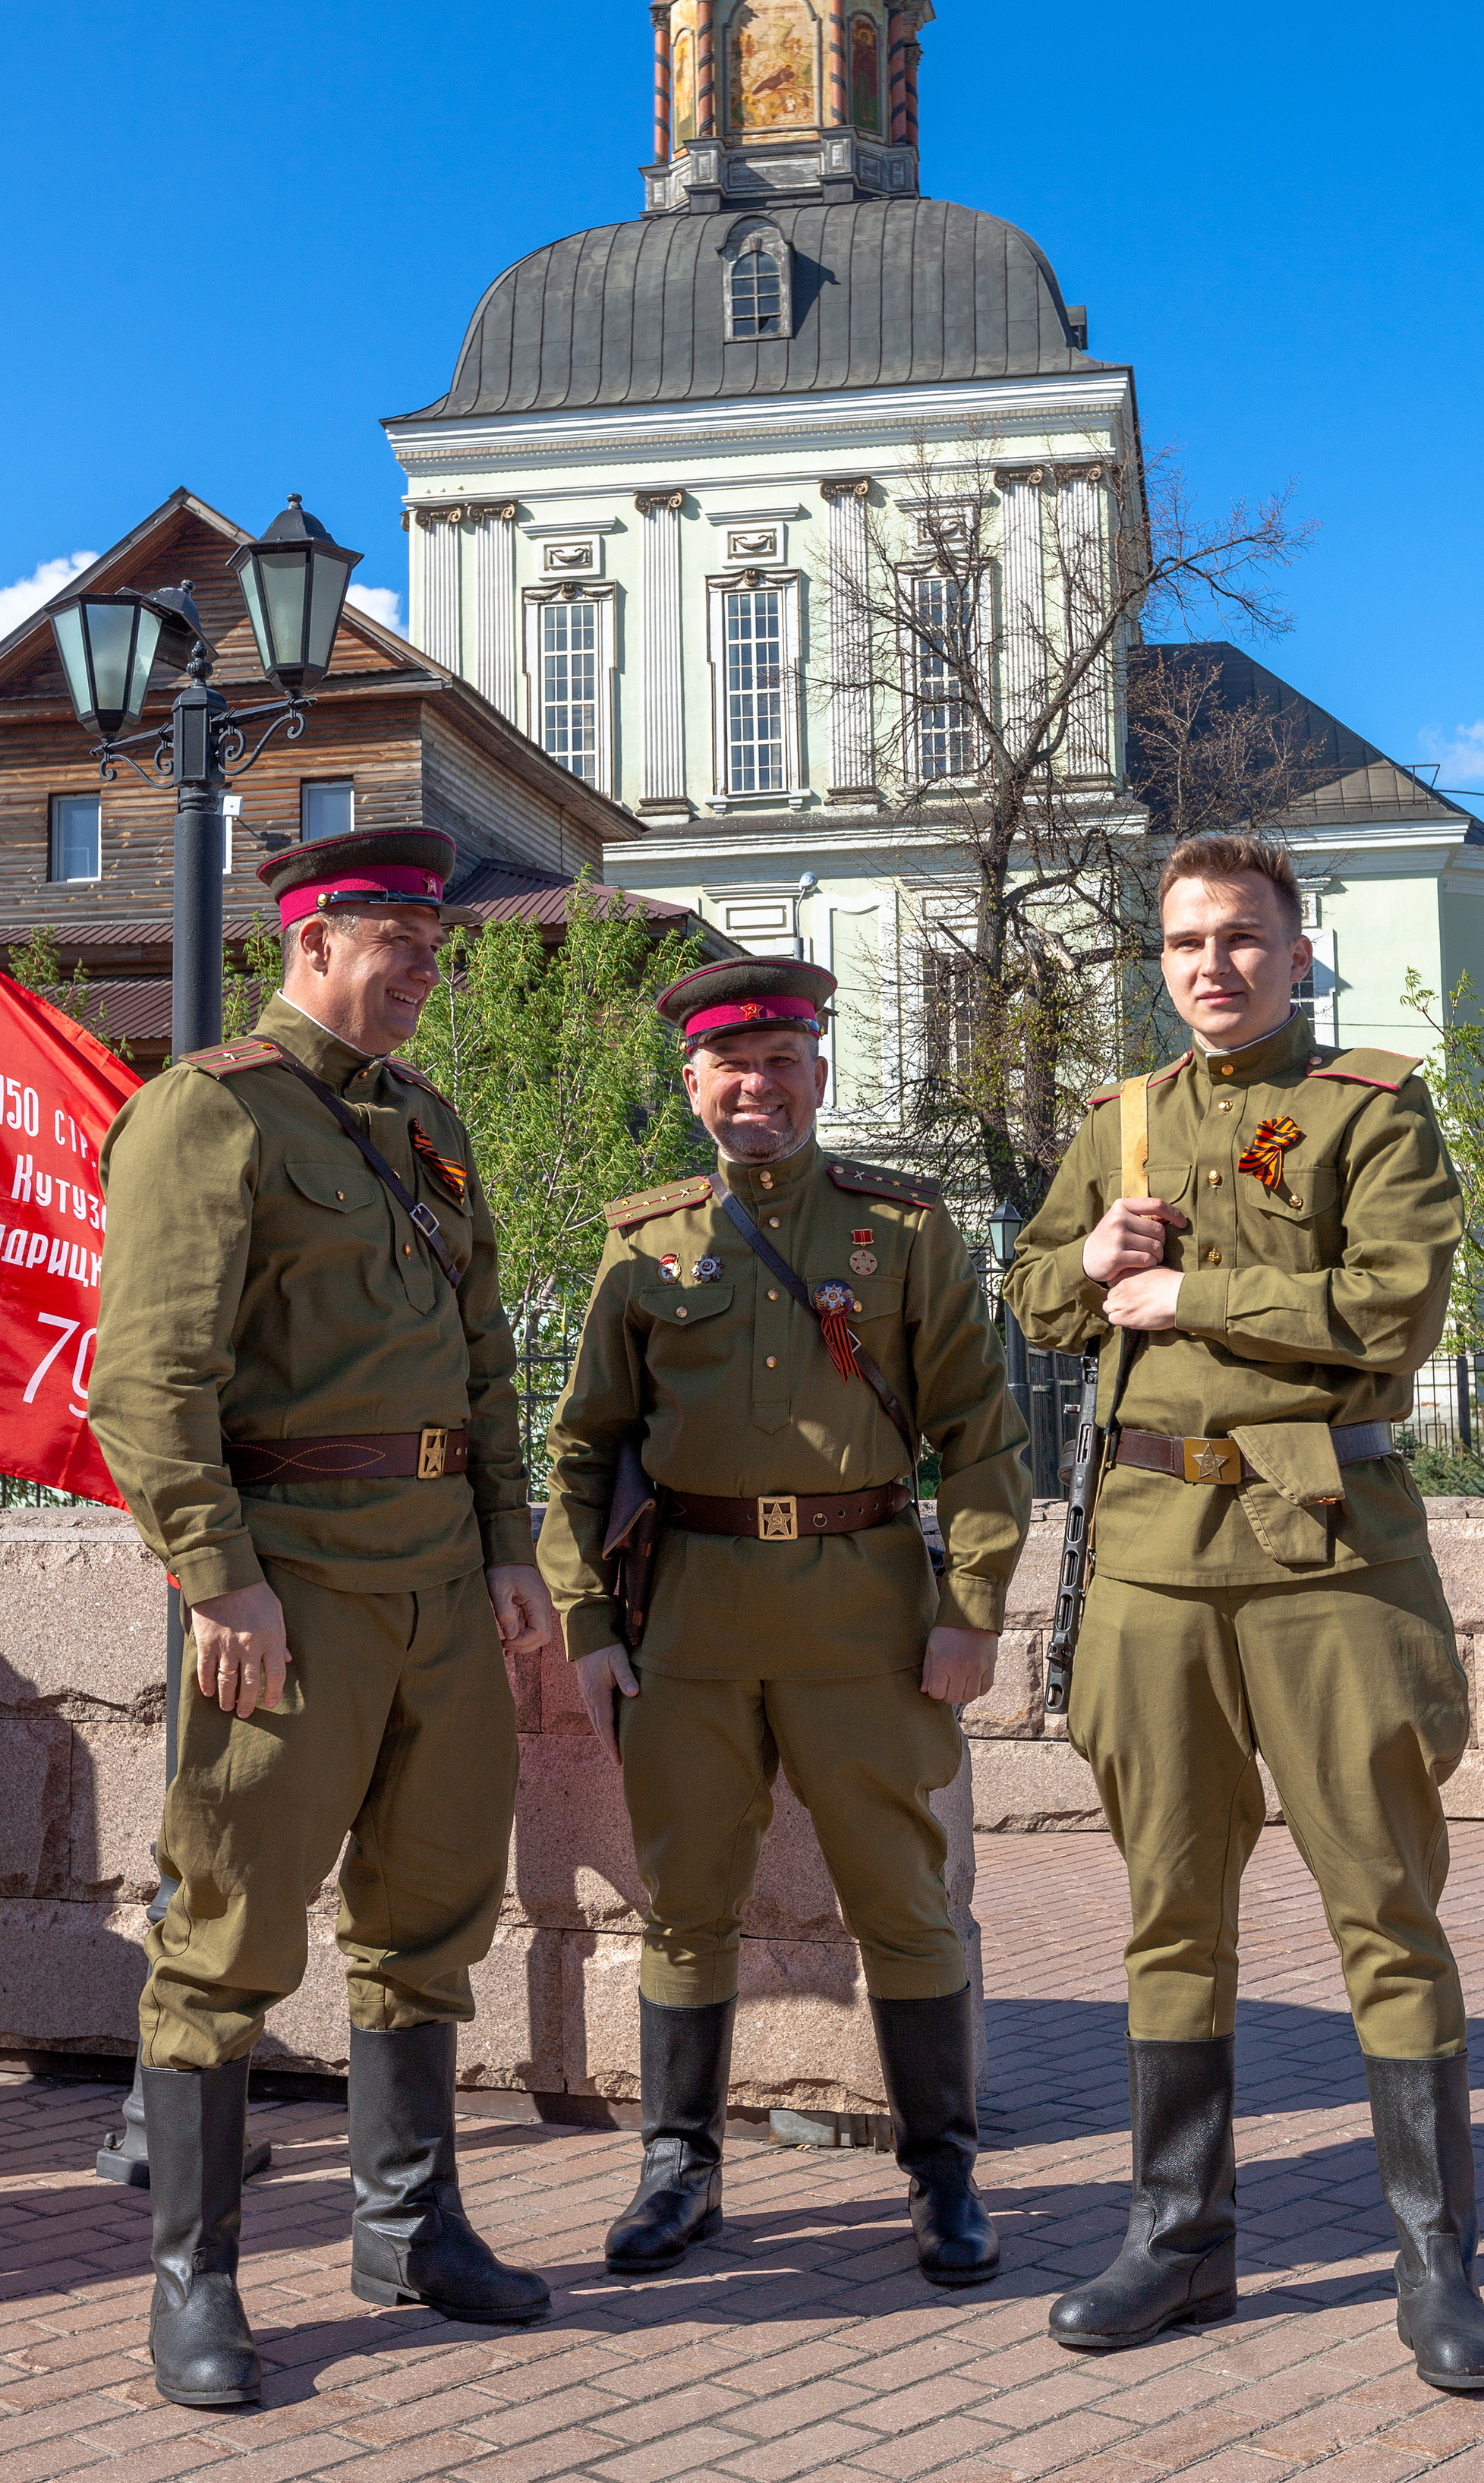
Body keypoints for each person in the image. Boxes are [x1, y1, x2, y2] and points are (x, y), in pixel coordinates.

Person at [1003, 833, 1484, 2394]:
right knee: (1169, 1911)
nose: (1209, 965)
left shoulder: (1369, 1111)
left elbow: (1391, 1311)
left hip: (1326, 1553)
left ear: (1296, 954)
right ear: (1158, 964)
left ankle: (1436, 2265)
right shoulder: (1120, 1123)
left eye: (1237, 937)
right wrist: (1088, 1260)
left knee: (1383, 1906)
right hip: (1152, 1559)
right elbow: (1033, 1297)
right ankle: (1178, 2240)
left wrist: (1190, 1296)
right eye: (1182, 943)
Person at [89, 825, 556, 2410]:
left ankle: (409, 2232)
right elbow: (147, 1378)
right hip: (290, 1584)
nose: (425, 973)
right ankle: (194, 2284)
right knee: (228, 1932)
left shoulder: (425, 1123)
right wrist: (219, 1576)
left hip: (439, 1578)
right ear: (311, 946)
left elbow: (484, 1365)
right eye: (399, 948)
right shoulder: (209, 1111)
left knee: (428, 1922)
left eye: (433, 949)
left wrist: (508, 1551)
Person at [537, 957, 1030, 2289]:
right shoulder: (647, 1244)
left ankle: (942, 2175)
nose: (757, 1087)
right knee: (685, 1904)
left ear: (820, 1073)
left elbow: (982, 1438)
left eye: (781, 1064)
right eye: (731, 1067)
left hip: (865, 1616)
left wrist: (972, 1609)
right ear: (692, 1082)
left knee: (904, 1904)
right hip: (690, 1620)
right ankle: (678, 2167)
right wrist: (588, 1623)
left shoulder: (902, 1232)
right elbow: (584, 1451)